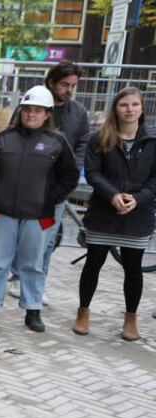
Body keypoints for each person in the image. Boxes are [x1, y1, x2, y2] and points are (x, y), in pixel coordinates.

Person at [0, 86, 79, 332]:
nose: (31, 114)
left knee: (33, 265)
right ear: (21, 111)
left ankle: (32, 309)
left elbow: (69, 176)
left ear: (47, 114)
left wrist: (51, 198)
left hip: (38, 216)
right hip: (3, 212)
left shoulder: (57, 143)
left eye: (37, 110)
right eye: (27, 109)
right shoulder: (5, 138)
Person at [73, 87, 155, 341]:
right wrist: (113, 195)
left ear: (142, 108)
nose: (129, 109)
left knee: (133, 268)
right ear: (115, 109)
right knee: (93, 263)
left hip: (137, 214)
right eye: (124, 105)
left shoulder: (152, 140)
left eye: (134, 104)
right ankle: (83, 312)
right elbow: (93, 172)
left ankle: (131, 319)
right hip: (103, 211)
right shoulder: (100, 138)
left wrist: (137, 199)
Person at [8, 61, 91, 297]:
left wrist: (72, 170)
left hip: (56, 186)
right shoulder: (31, 104)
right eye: (65, 84)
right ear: (52, 82)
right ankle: (17, 278)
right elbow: (12, 134)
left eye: (73, 85)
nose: (69, 90)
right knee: (21, 232)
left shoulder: (77, 112)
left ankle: (36, 285)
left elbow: (83, 142)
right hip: (27, 183)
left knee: (47, 237)